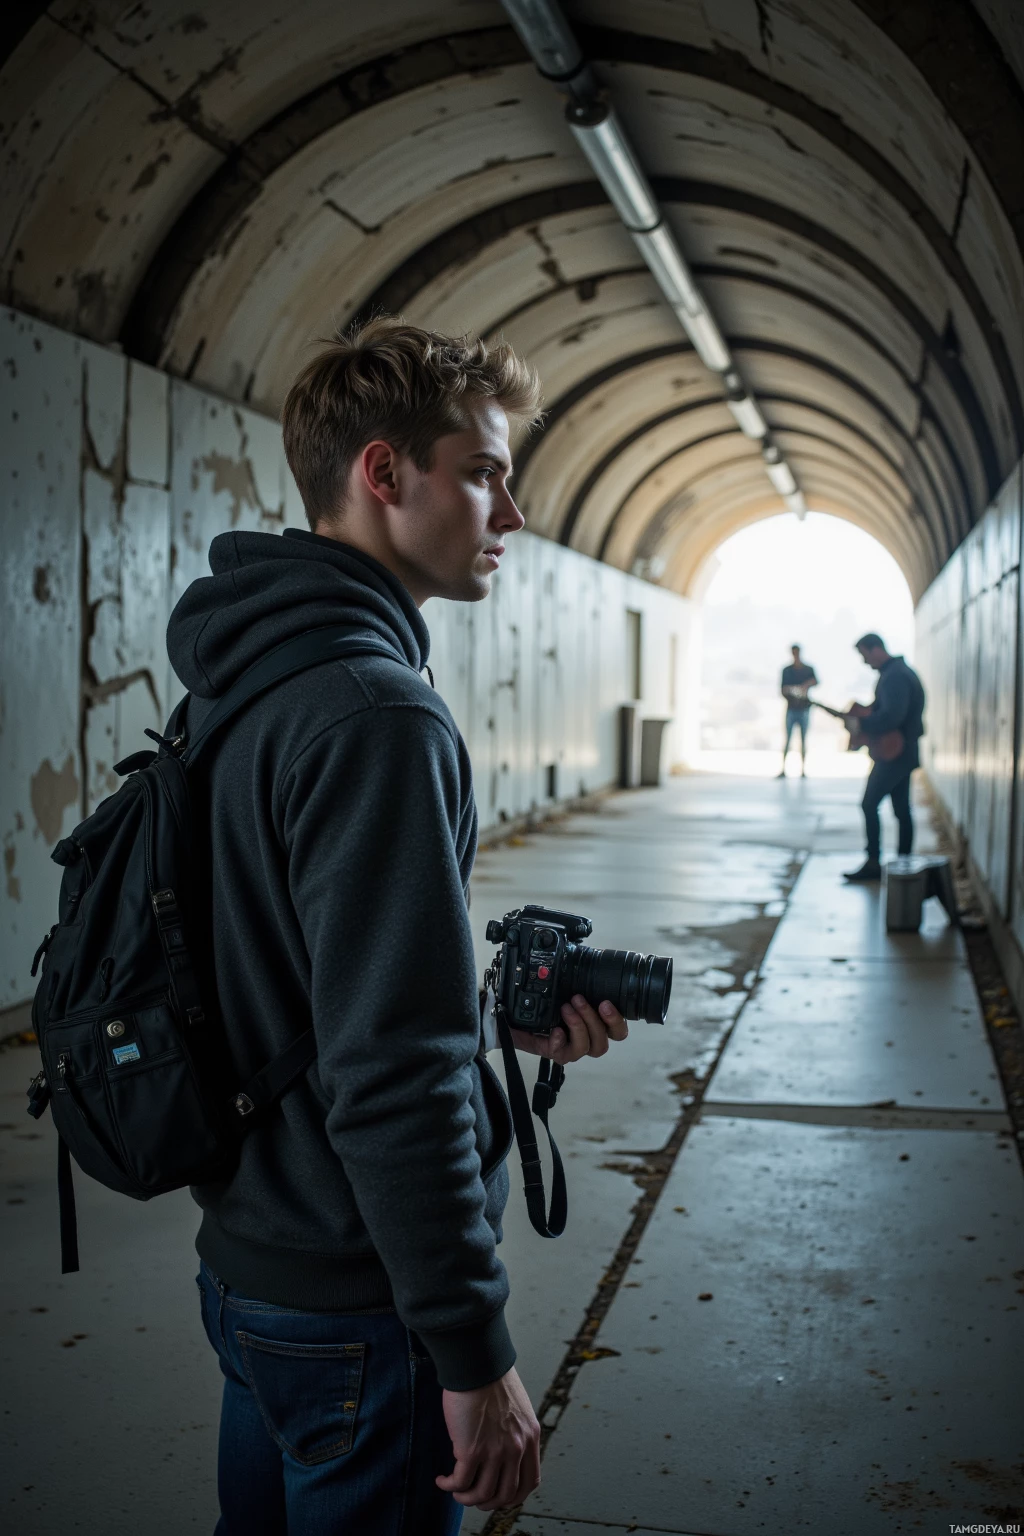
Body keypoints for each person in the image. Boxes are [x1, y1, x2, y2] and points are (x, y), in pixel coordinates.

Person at [165, 318, 631, 1533]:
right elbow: (385, 1067)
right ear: (385, 474)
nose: (512, 513)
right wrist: (475, 1359)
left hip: (252, 1267)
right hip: (359, 1308)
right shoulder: (378, 713)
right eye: (483, 472)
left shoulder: (247, 670)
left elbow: (286, 977)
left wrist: (486, 1023)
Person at [843, 632, 926, 882]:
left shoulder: (895, 677)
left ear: (875, 649)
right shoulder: (896, 673)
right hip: (901, 751)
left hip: (895, 753)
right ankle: (903, 863)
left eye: (864, 655)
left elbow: (892, 717)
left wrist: (862, 725)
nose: (865, 662)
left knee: (870, 804)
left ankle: (874, 862)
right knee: (901, 809)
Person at [777, 643, 818, 777]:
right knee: (788, 740)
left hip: (804, 709)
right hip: (791, 709)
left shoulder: (808, 669)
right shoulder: (787, 670)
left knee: (803, 740)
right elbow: (782, 690)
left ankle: (803, 770)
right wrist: (791, 690)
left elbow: (815, 681)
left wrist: (805, 686)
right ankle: (783, 769)